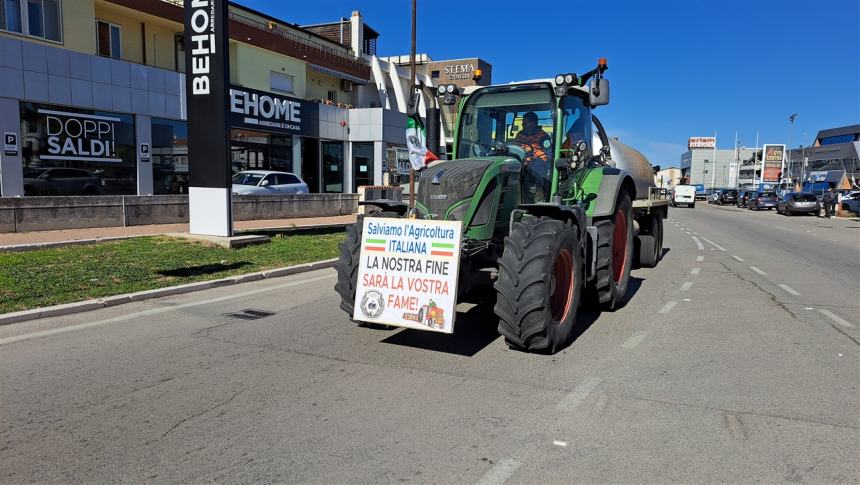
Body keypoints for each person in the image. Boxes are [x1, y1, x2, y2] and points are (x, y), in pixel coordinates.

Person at [514, 111, 552, 201]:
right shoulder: (520, 134)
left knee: (536, 164)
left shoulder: (543, 137)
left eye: (525, 122)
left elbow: (547, 155)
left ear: (533, 123)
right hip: (522, 161)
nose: (523, 124)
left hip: (537, 163)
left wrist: (530, 158)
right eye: (523, 122)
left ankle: (539, 190)